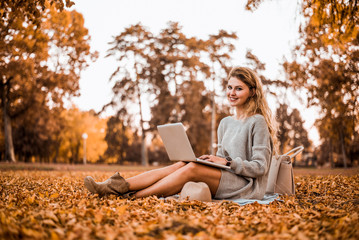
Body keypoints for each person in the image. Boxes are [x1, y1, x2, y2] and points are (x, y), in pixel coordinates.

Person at [84, 66, 278, 200]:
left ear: (252, 92)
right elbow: (222, 160)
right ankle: (115, 185)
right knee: (184, 163)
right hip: (228, 177)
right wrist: (212, 160)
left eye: (239, 89)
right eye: (229, 87)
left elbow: (261, 167)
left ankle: (134, 196)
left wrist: (226, 163)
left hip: (247, 187)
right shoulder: (225, 122)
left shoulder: (257, 122)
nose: (232, 93)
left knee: (192, 169)